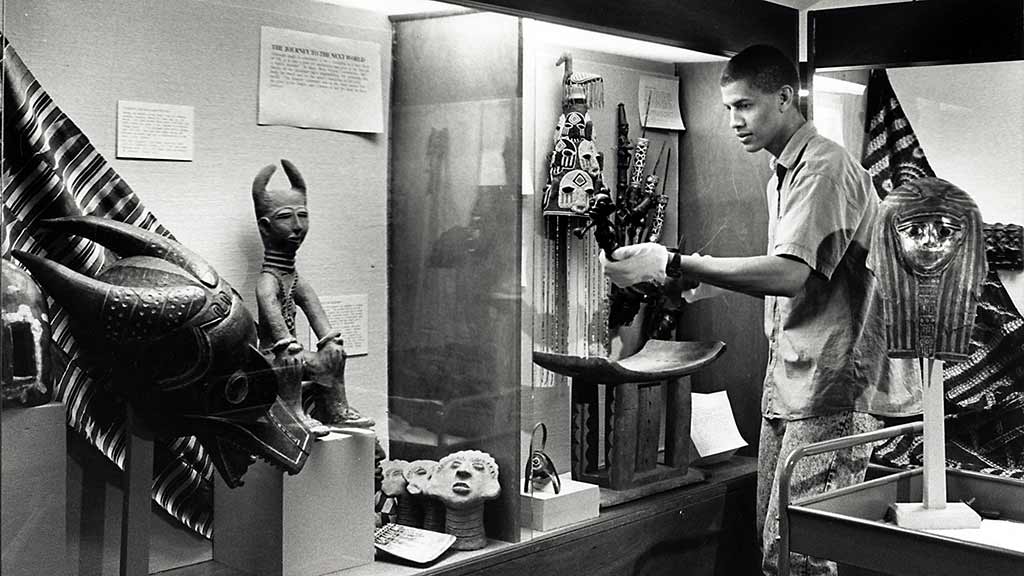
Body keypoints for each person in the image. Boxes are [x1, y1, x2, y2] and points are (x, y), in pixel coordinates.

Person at [601, 45, 919, 576]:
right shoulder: (783, 172)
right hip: (795, 383)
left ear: (786, 97)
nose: (733, 121)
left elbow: (789, 273)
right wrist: (687, 283)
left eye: (744, 105)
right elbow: (807, 278)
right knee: (776, 552)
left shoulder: (822, 168)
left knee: (799, 554)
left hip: (833, 389)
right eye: (727, 108)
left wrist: (679, 261)